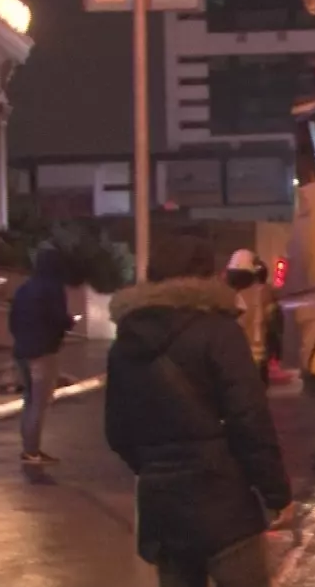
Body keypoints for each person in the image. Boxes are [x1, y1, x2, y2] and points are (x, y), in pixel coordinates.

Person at [105, 234, 294, 587]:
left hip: (162, 509)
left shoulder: (126, 342)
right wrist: (276, 493)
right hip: (223, 503)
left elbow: (117, 432)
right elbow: (249, 419)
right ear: (206, 277)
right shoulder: (220, 332)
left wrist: (157, 465)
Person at [9, 246, 74, 465]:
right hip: (44, 351)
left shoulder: (24, 288)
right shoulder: (54, 288)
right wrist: (70, 322)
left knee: (29, 401)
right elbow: (58, 318)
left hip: (22, 351)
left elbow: (13, 320)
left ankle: (29, 448)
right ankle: (32, 451)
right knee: (39, 402)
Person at [226, 250, 276, 387]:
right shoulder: (264, 292)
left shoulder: (224, 295)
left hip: (230, 359)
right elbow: (273, 323)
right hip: (256, 358)